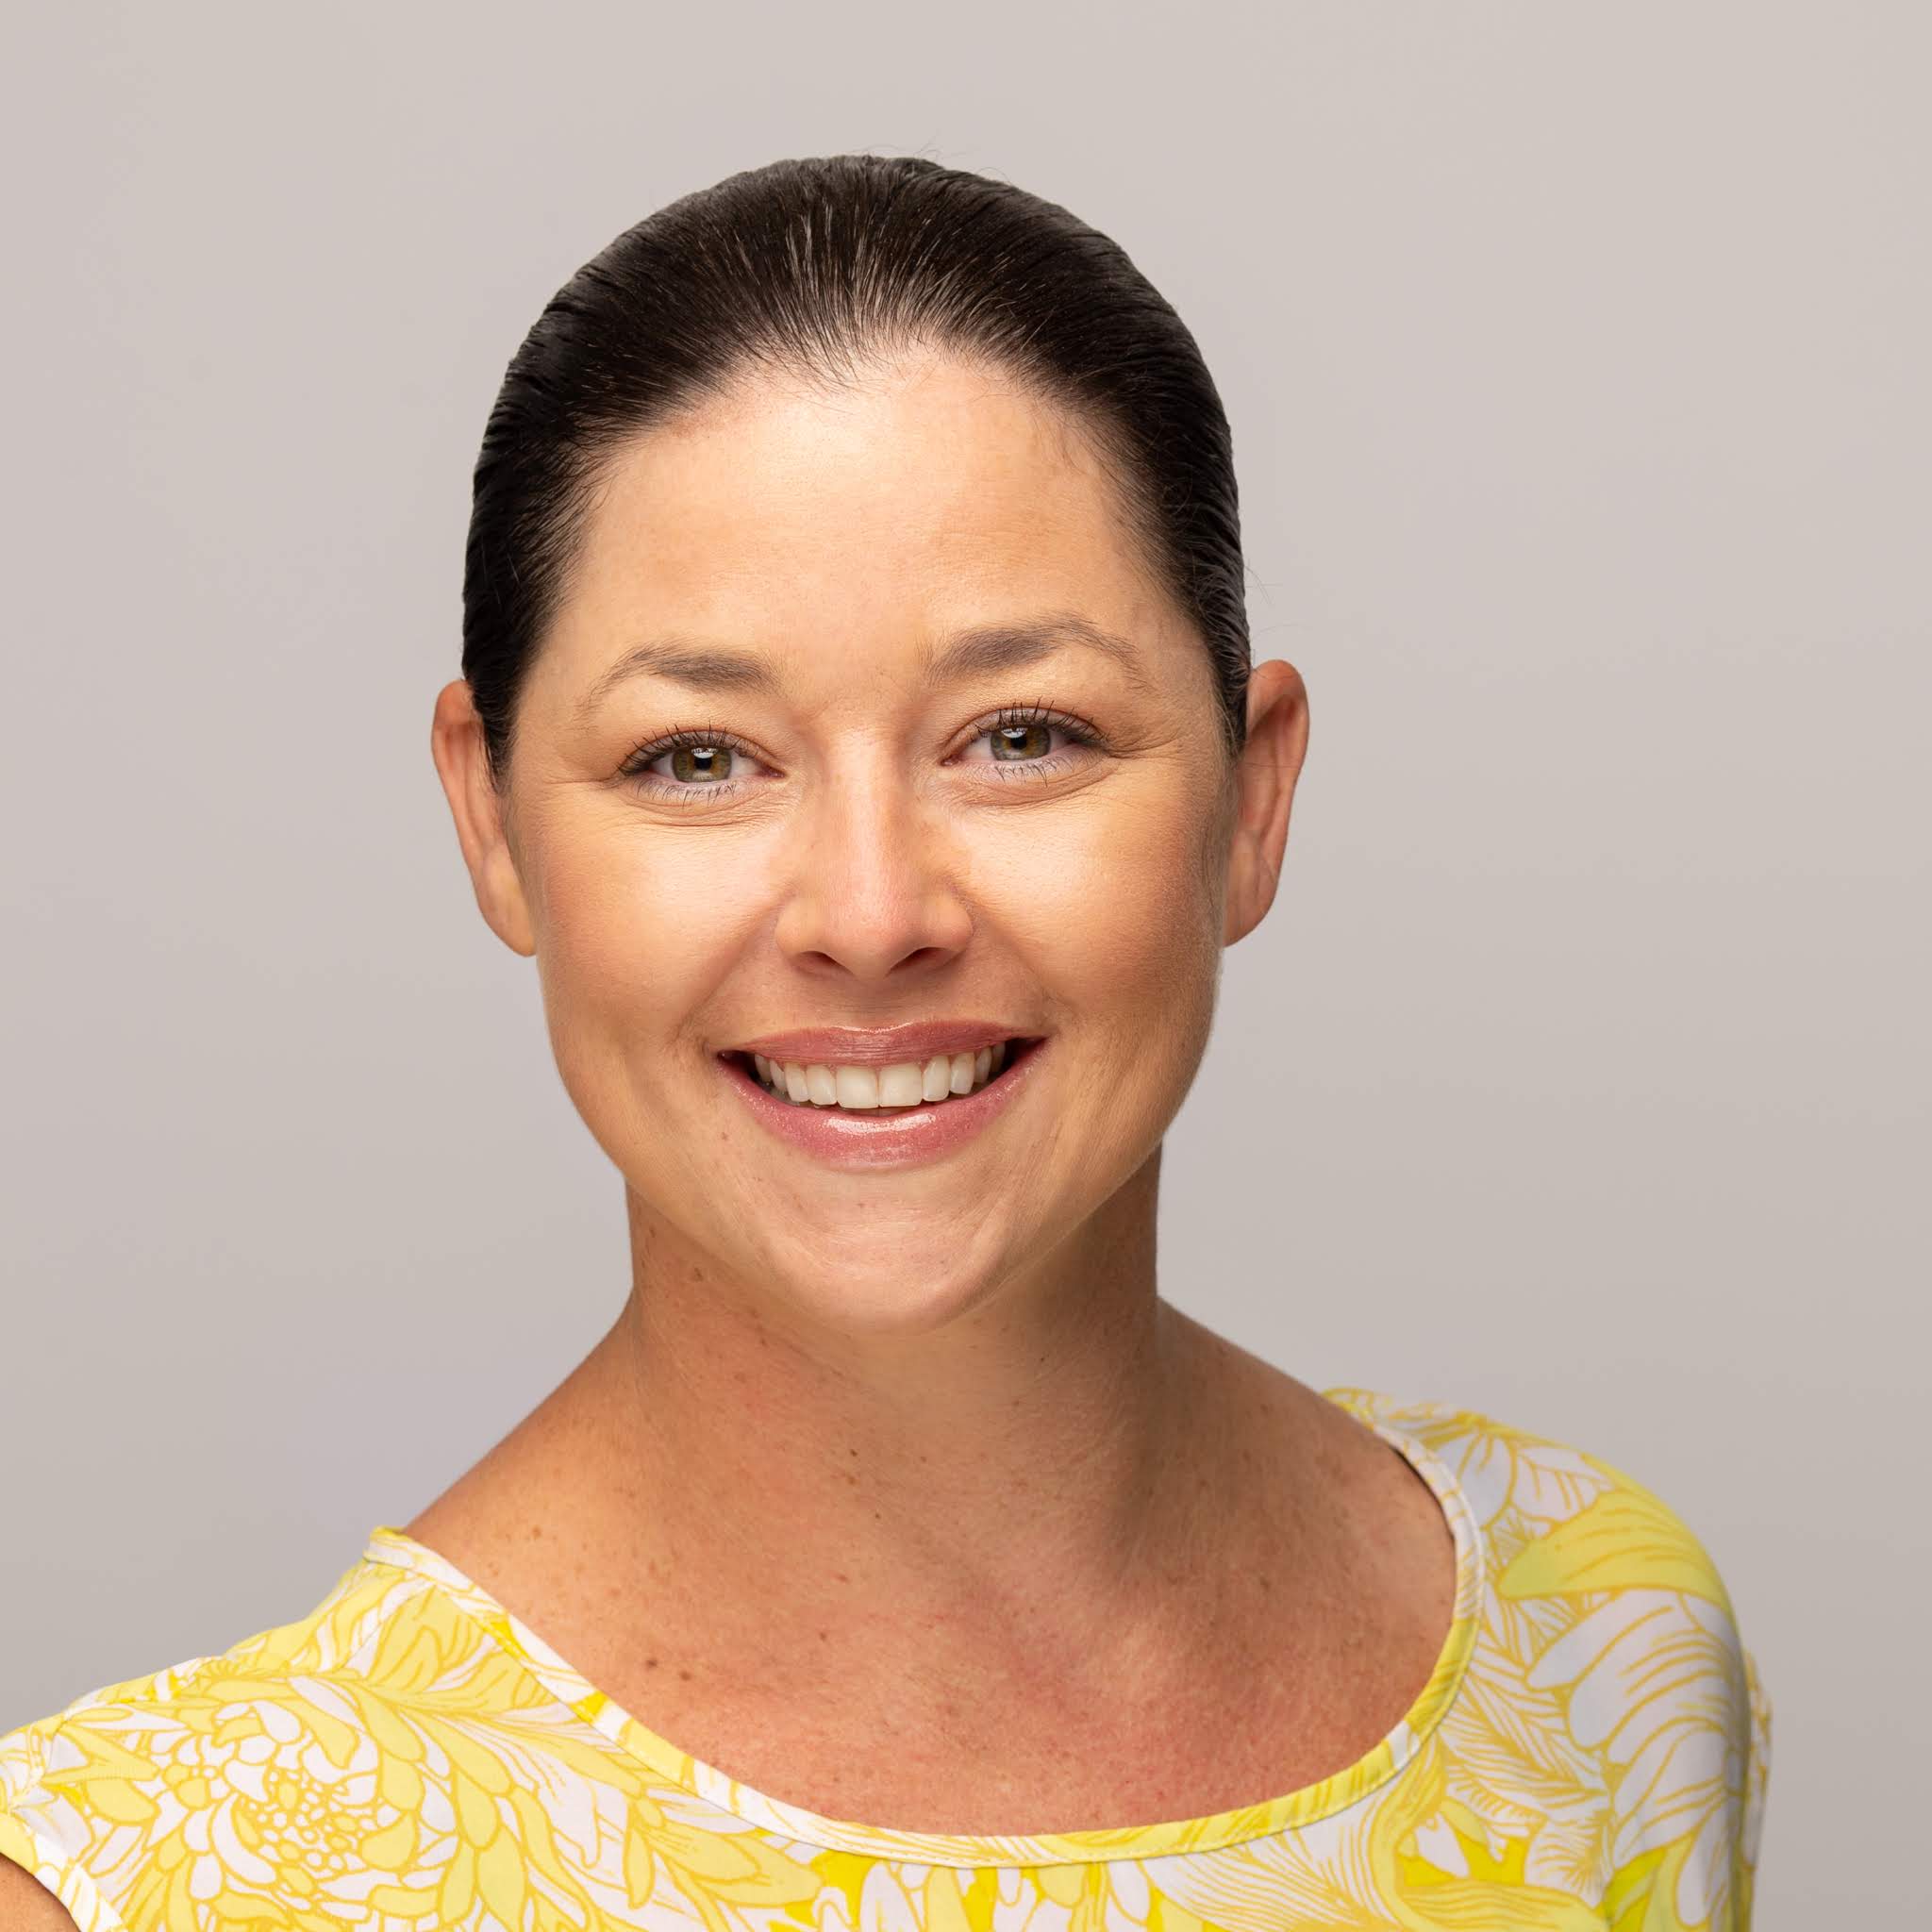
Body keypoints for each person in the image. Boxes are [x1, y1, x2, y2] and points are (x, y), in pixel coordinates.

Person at [0, 153, 1770, 1931]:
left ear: (1253, 799)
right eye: (698, 758)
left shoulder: (1602, 1652)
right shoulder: (142, 1888)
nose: (869, 912)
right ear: (494, 822)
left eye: (1023, 736)